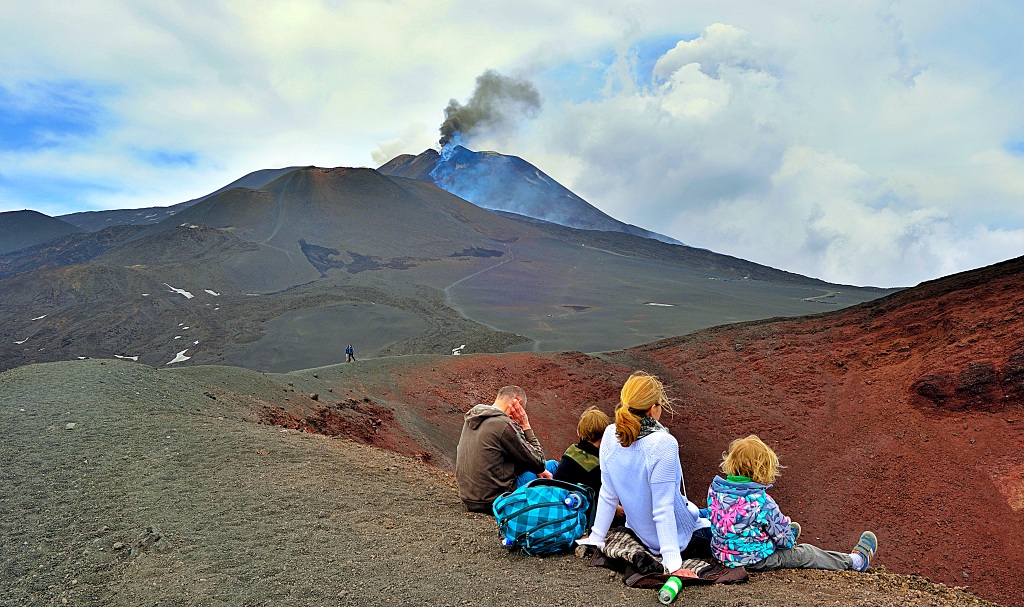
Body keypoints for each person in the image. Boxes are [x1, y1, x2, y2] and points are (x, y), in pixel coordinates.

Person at [586, 371, 711, 576]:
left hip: (640, 532)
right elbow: (663, 510)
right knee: (731, 519)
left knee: (708, 512)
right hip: (679, 539)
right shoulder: (662, 444)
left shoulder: (610, 434)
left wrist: (596, 537)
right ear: (653, 409)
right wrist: (672, 563)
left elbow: (608, 493)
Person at [706, 435, 878, 572]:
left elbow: (720, 518)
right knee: (805, 553)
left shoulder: (715, 490)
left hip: (721, 554)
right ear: (762, 470)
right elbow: (786, 542)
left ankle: (773, 535)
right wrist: (786, 537)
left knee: (769, 528)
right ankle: (855, 561)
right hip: (752, 560)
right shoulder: (762, 502)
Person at [455, 385, 557, 513]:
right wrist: (525, 425)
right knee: (553, 466)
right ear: (518, 403)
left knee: (539, 470)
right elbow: (539, 462)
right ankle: (565, 513)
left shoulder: (474, 418)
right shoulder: (503, 424)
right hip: (495, 501)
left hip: (470, 499)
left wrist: (534, 468)